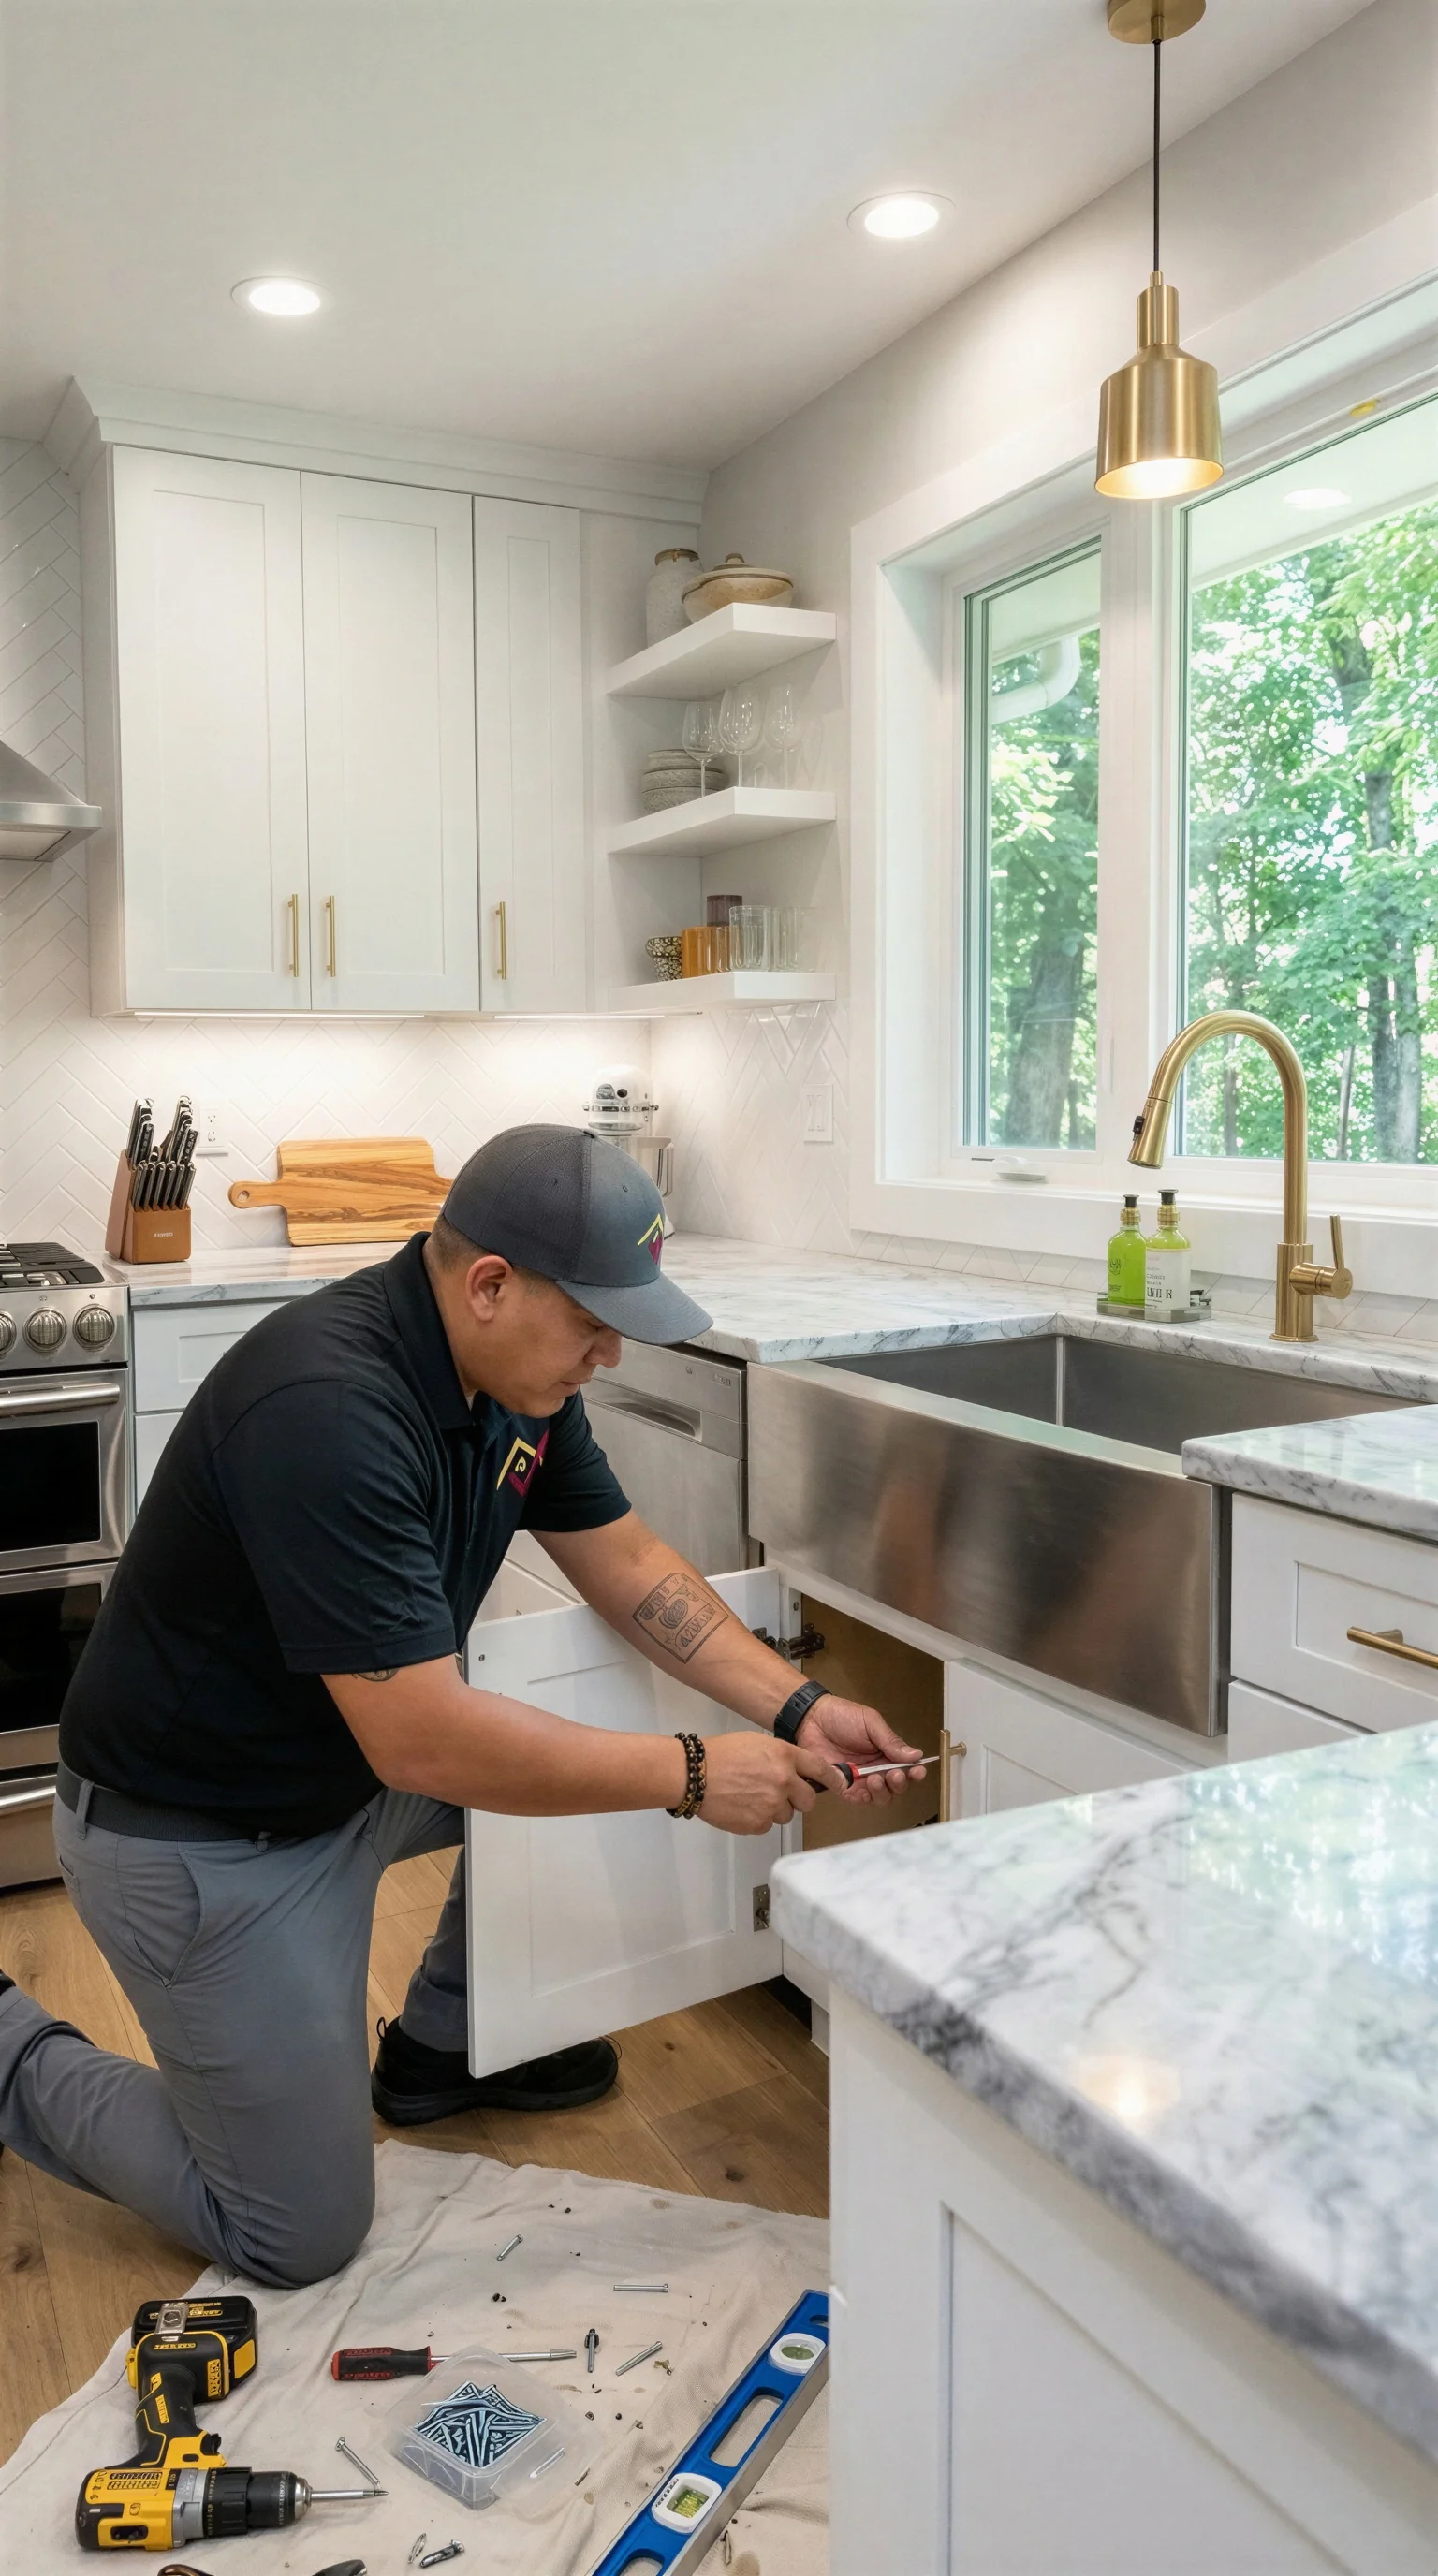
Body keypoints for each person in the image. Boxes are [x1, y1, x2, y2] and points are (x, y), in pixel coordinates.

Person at [0, 1125, 922, 2287]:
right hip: (200, 1836)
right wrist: (695, 1773)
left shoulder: (514, 1383)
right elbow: (425, 1738)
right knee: (294, 2233)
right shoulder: (330, 1406)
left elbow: (630, 1564)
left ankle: (443, 2042)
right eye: (593, 1324)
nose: (610, 1356)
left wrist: (797, 1705)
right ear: (490, 1285)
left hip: (347, 1781)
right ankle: (8, 2046)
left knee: (597, 1743)